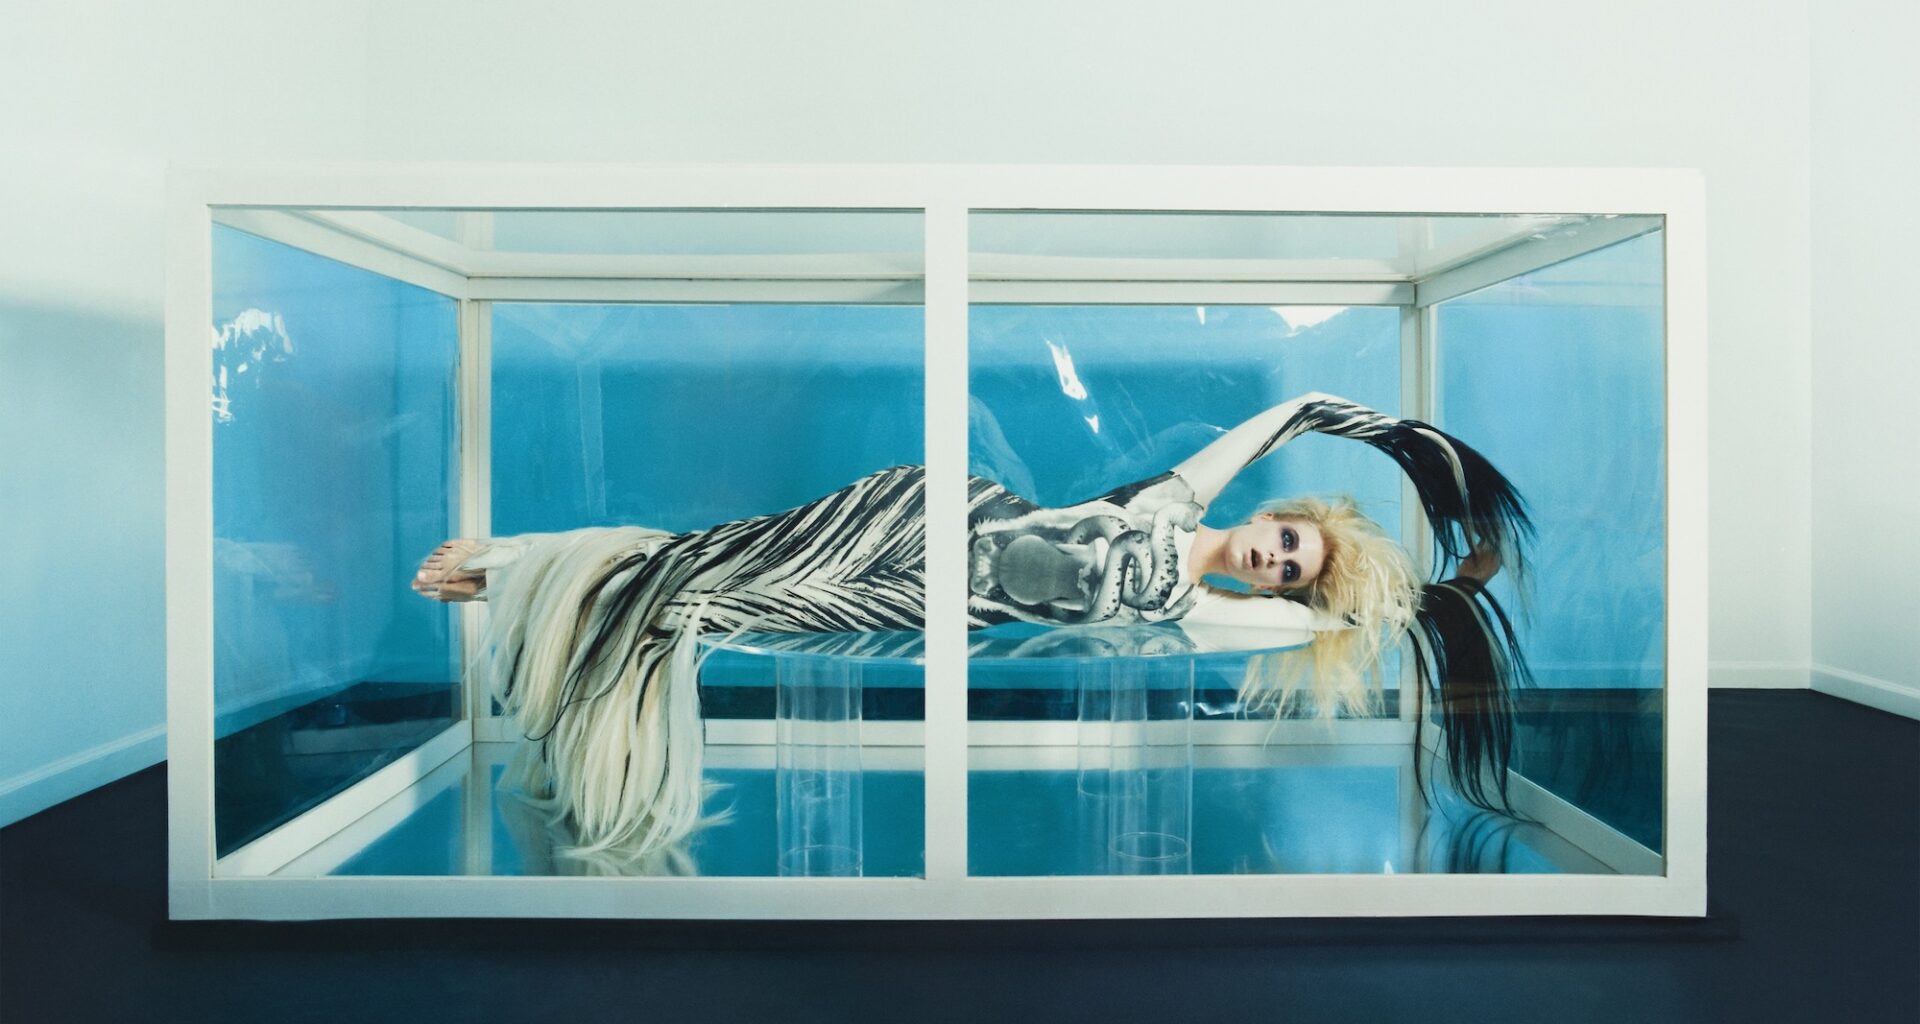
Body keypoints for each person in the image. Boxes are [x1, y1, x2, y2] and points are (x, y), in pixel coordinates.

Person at [413, 392, 1533, 857]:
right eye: (1288, 538)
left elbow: (1312, 633)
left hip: (924, 597)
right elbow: (1286, 413)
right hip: (918, 509)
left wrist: (1431, 594)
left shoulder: (1202, 614)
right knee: (720, 551)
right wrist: (1420, 451)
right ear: (1273, 517)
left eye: (1291, 571)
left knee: (711, 603)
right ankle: (513, 562)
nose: (1275, 556)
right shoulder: (1172, 506)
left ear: (1284, 591)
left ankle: (525, 583)